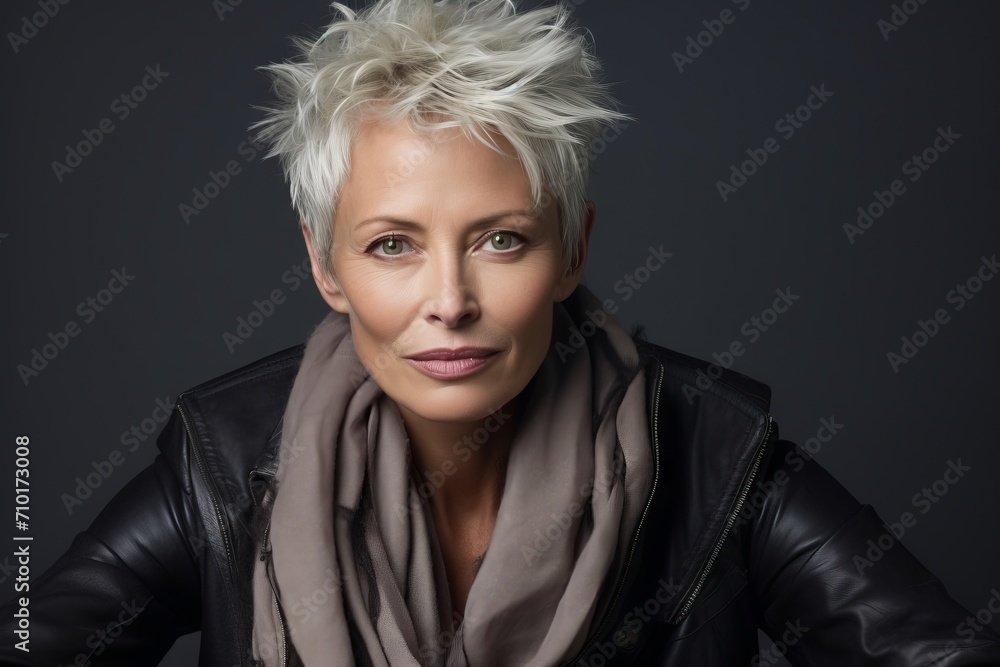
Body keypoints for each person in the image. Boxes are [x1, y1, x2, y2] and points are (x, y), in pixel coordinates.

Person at [2, 0, 999, 665]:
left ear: (570, 252)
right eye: (392, 243)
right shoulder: (224, 460)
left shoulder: (717, 454)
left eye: (501, 239)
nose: (449, 299)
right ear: (323, 265)